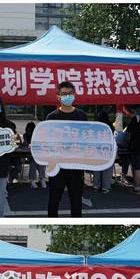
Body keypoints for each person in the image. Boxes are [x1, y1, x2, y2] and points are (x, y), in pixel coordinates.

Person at [45, 81, 88, 217]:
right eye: (64, 94)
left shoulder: (82, 115)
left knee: (76, 202)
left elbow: (87, 139)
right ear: (58, 96)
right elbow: (47, 141)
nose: (67, 96)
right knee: (54, 200)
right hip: (57, 167)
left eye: (70, 93)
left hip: (76, 166)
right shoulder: (52, 117)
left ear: (74, 95)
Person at [92, 111, 114, 193]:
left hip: (97, 148)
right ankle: (105, 186)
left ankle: (96, 185)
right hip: (108, 148)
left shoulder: (96, 125)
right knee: (107, 168)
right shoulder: (109, 126)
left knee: (97, 166)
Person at [126, 106, 140, 194]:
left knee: (137, 167)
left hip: (136, 146)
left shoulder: (137, 118)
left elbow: (128, 130)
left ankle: (137, 187)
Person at [25, 122, 46, 189]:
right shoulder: (25, 135)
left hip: (38, 155)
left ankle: (42, 178)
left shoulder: (37, 135)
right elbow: (25, 144)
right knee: (33, 163)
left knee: (40, 163)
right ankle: (32, 179)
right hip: (30, 156)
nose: (29, 131)